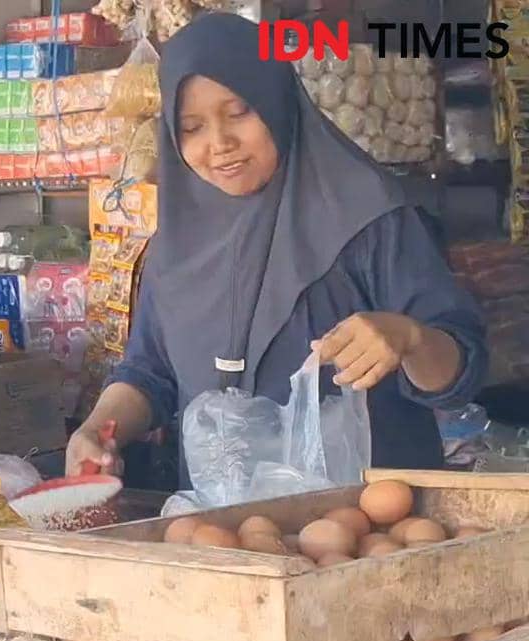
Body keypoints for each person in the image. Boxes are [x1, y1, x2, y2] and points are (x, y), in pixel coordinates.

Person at [67, 14, 488, 485]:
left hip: (368, 531)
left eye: (239, 112)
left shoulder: (369, 217)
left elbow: (459, 374)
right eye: (192, 127)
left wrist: (409, 338)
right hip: (223, 536)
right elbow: (149, 373)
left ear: (277, 100)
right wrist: (97, 431)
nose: (219, 144)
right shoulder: (176, 245)